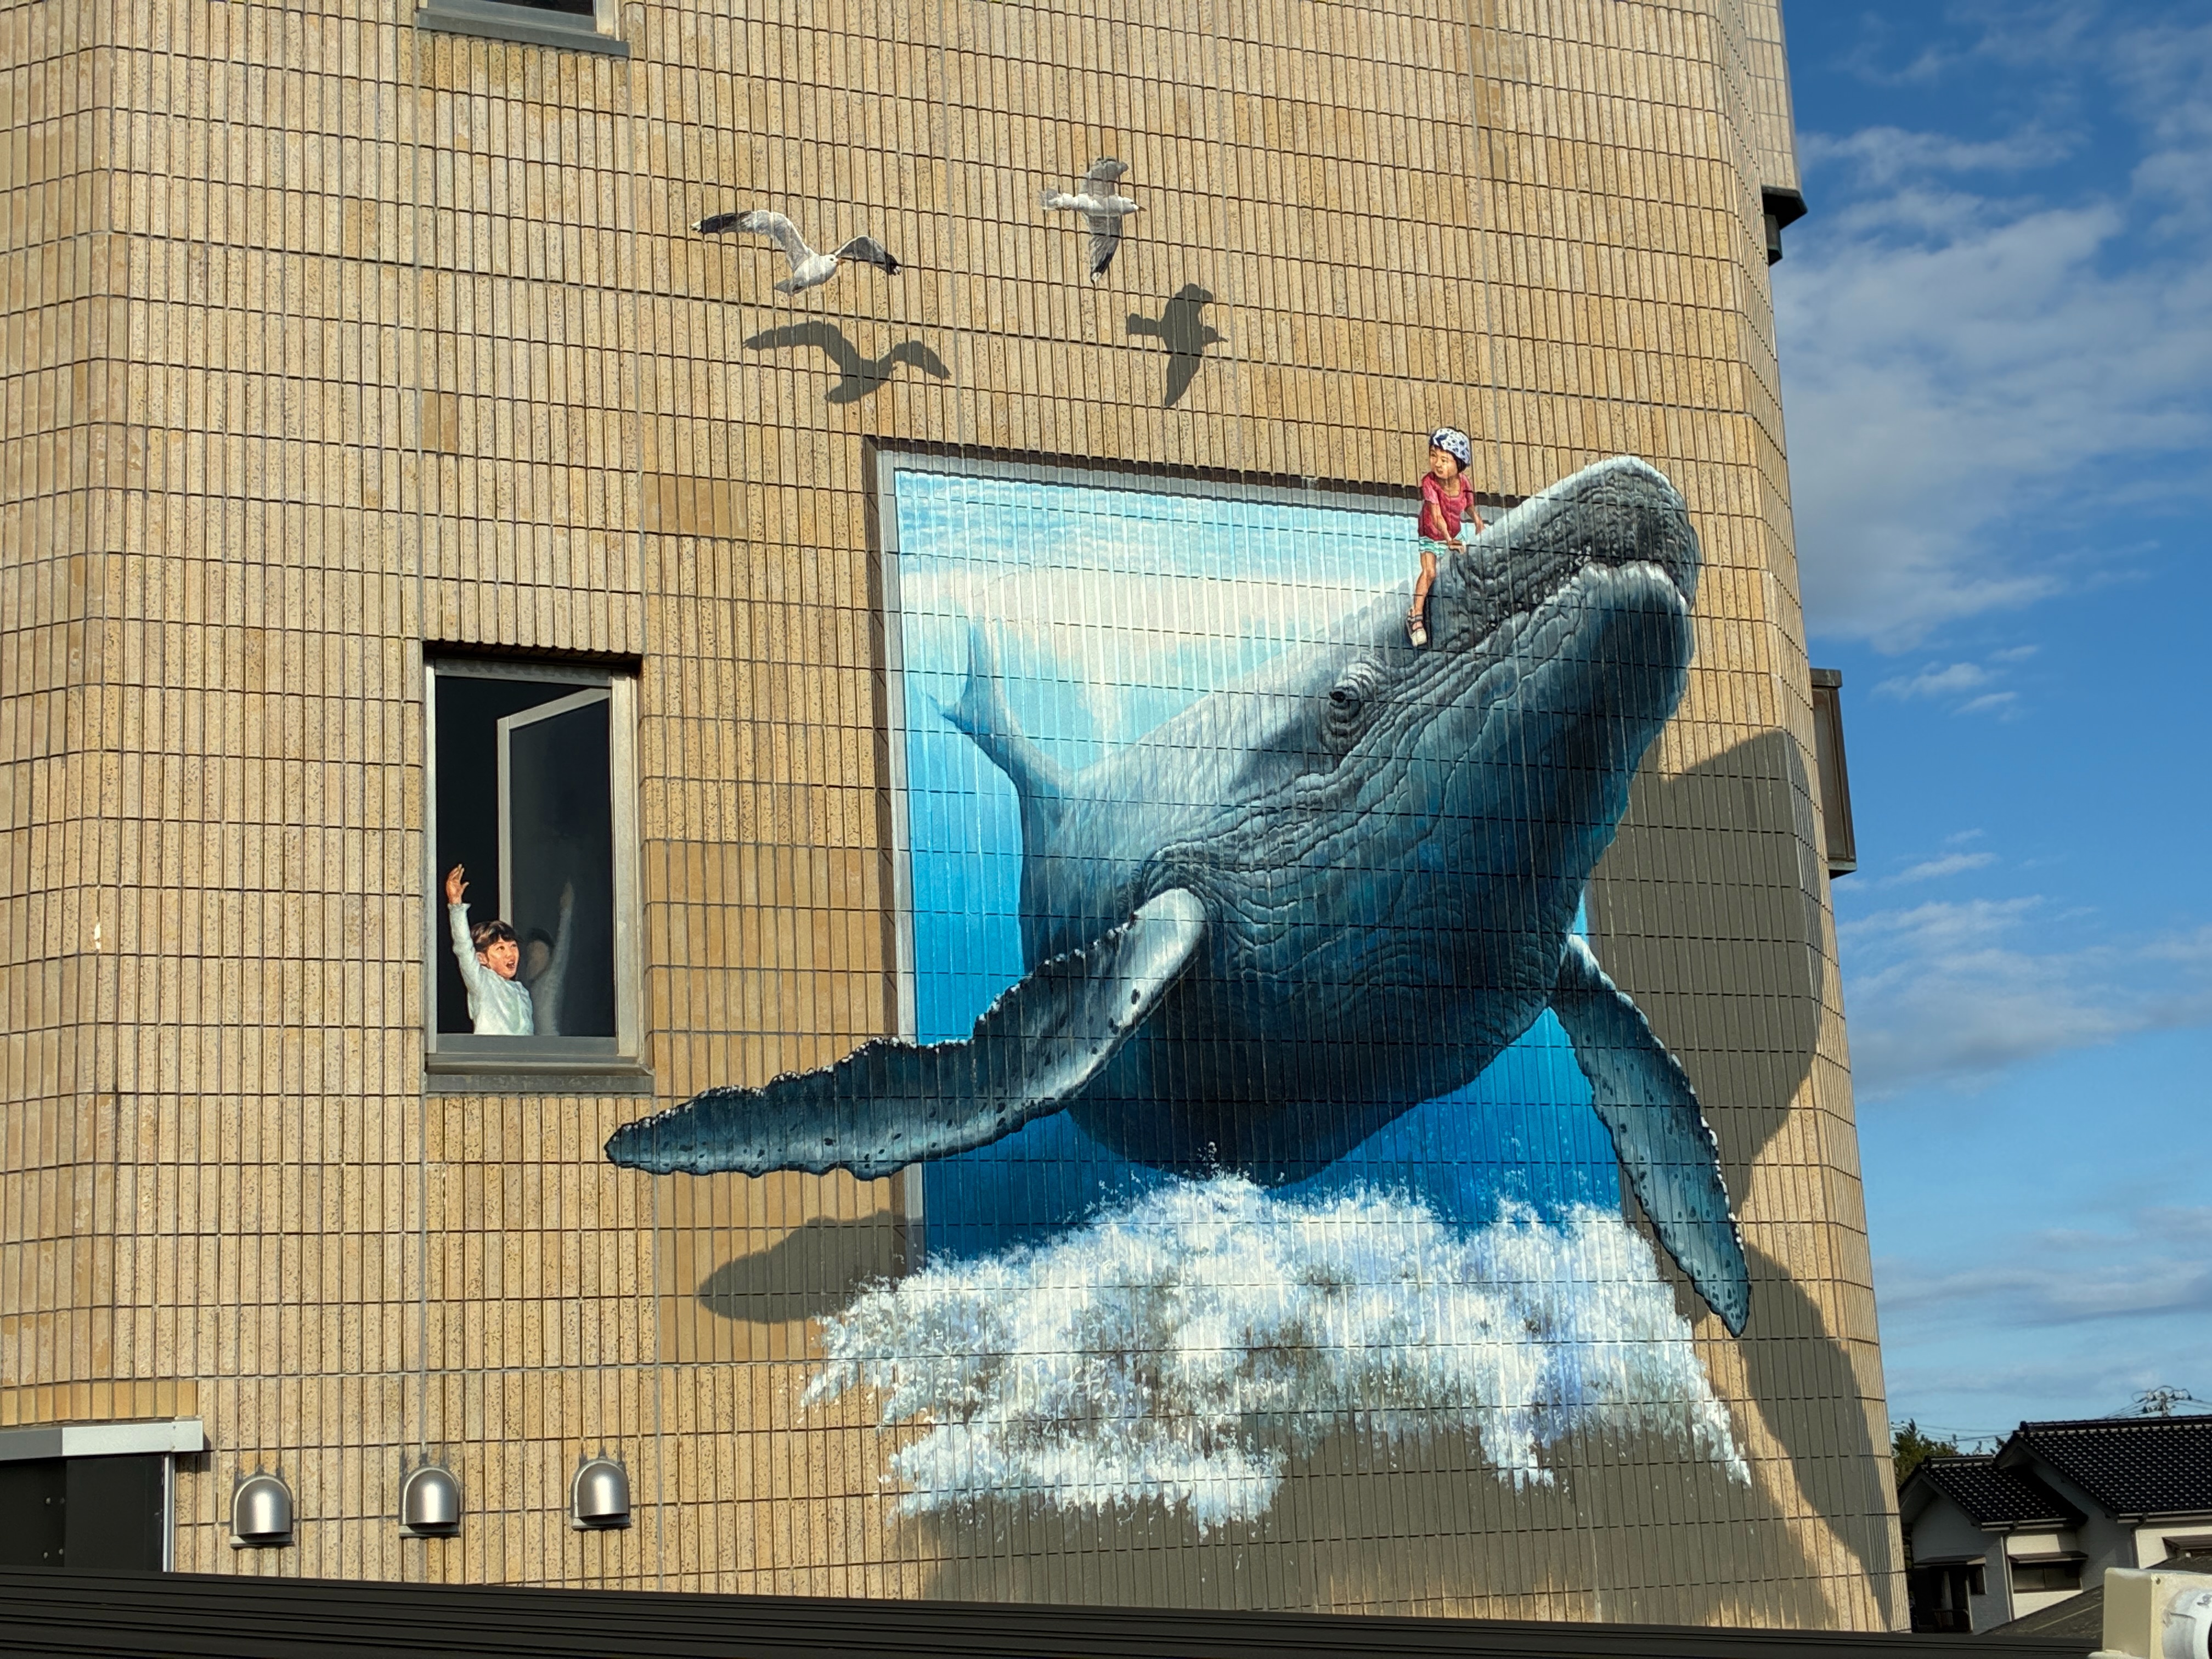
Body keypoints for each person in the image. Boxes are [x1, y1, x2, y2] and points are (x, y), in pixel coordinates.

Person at [1410, 426, 1483, 646]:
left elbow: (1469, 506)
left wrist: (1478, 521)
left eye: (1445, 459)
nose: (1438, 464)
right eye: (1434, 457)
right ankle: (1415, 617)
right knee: (1430, 572)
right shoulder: (1430, 483)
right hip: (1432, 534)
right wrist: (1447, 539)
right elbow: (1436, 514)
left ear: (1459, 463)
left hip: (1454, 534)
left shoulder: (1464, 483)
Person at [444, 863, 533, 1035]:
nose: (510, 953)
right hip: (492, 1057)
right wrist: (456, 907)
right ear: (482, 958)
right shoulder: (483, 981)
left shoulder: (522, 992)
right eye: (500, 948)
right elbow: (463, 948)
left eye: (513, 946)